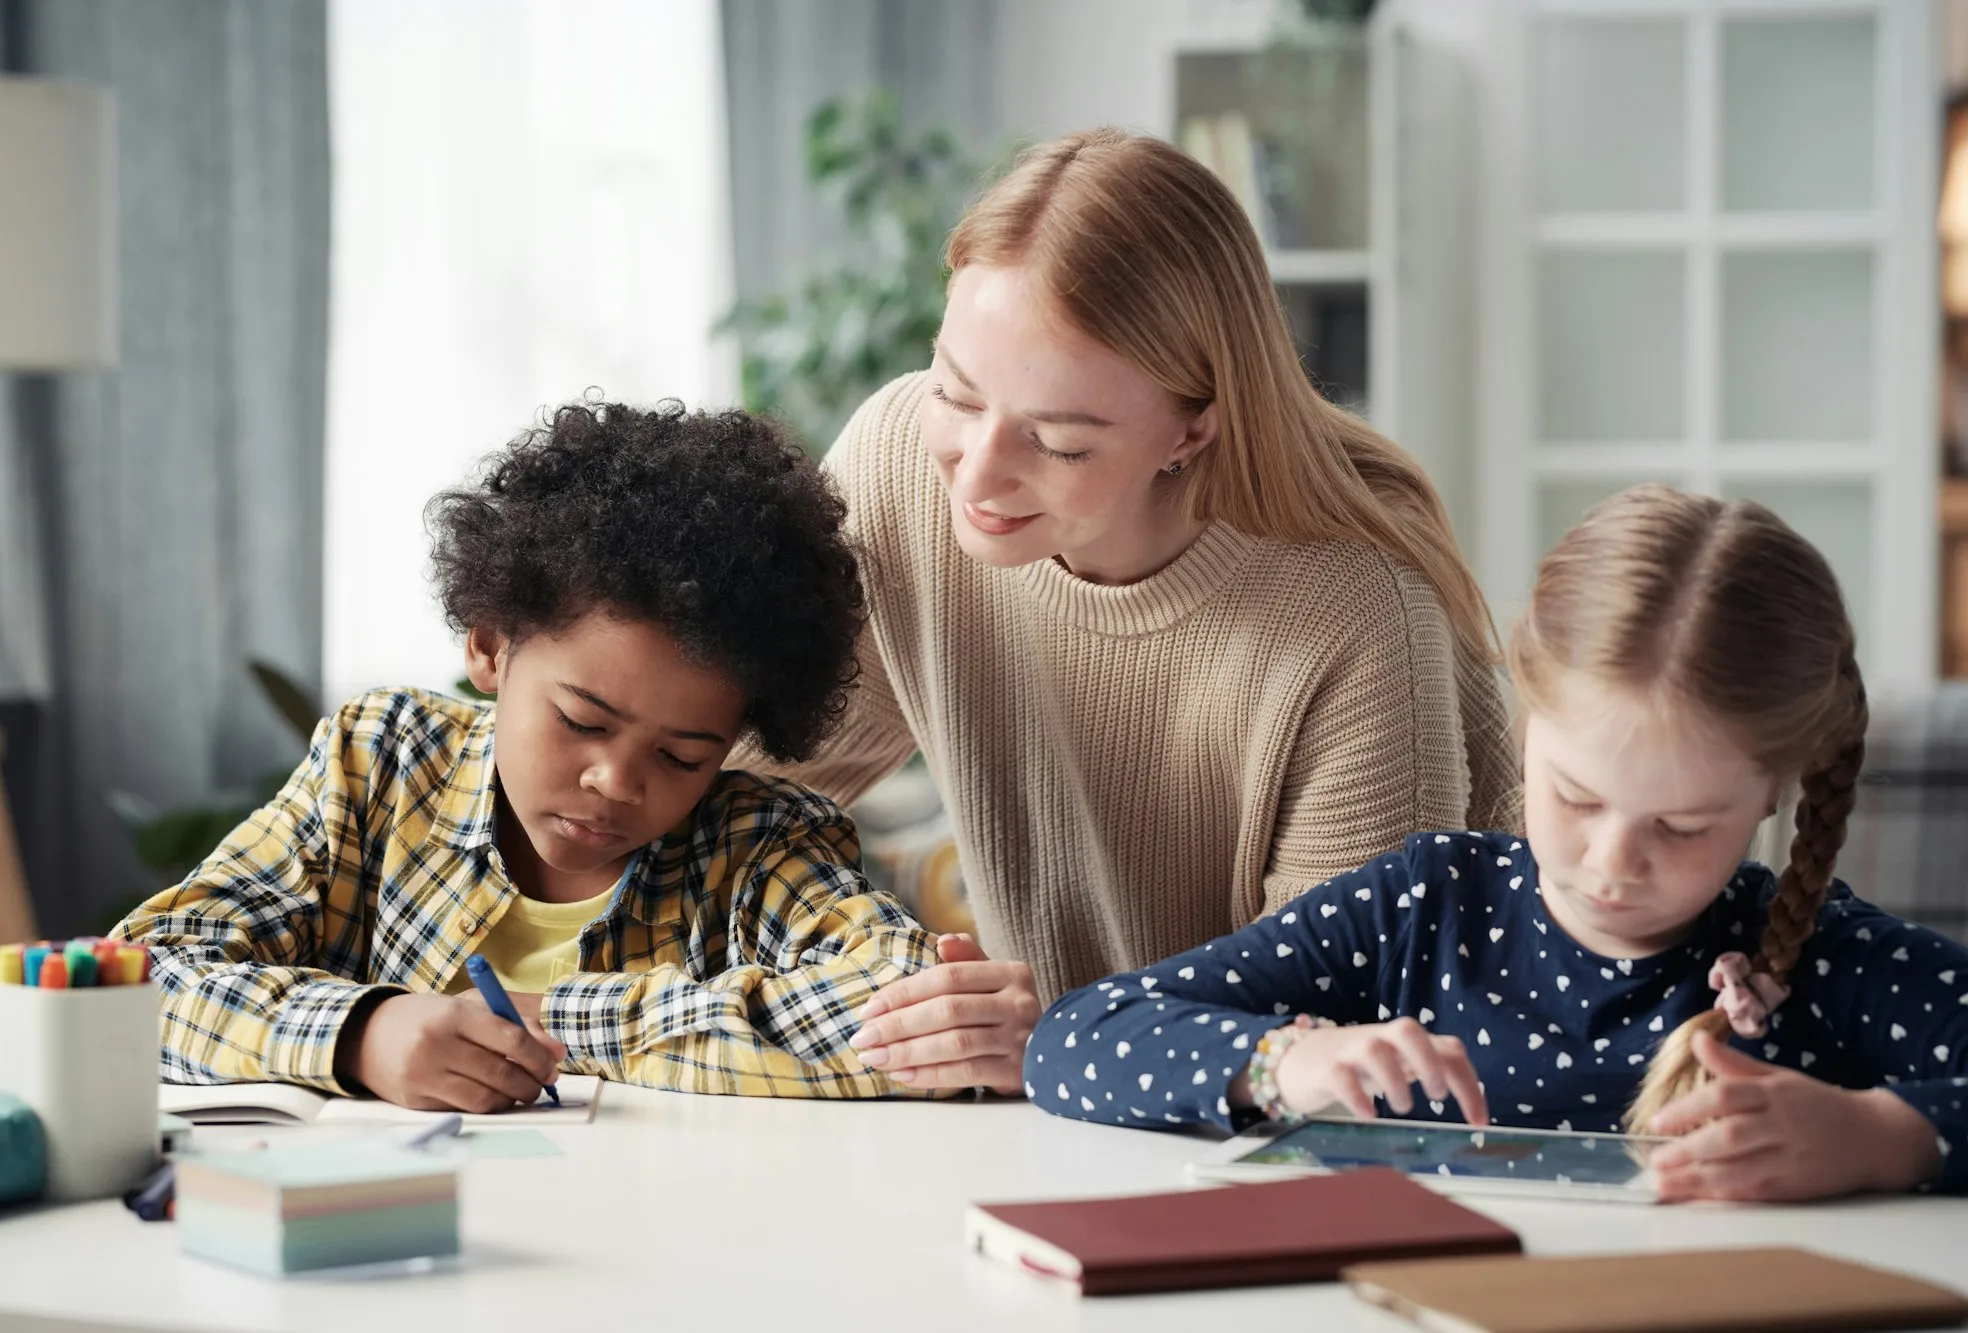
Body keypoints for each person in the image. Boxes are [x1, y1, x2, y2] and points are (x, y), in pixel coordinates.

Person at [745, 128, 1519, 1095]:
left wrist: (1050, 1043)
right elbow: (730, 796)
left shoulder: (1358, 616)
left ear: (1193, 426)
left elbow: (1342, 1054)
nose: (977, 474)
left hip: (1324, 1136)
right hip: (1062, 1107)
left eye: (1061, 443)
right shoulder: (902, 465)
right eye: (955, 391)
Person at [1023, 484, 1968, 1201]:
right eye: (1575, 795)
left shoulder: (1823, 963)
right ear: (1525, 725)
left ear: (1773, 792)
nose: (1610, 862)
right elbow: (1071, 1040)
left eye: (1681, 827)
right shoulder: (1423, 906)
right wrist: (1283, 1062)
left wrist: (1883, 1133)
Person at [115, 401, 940, 1110]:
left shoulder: (761, 842)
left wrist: (552, 1018)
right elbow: (135, 980)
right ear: (489, 646)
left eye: (683, 756)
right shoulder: (381, 766)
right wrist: (362, 1033)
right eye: (583, 721)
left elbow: (903, 1004)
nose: (616, 780)